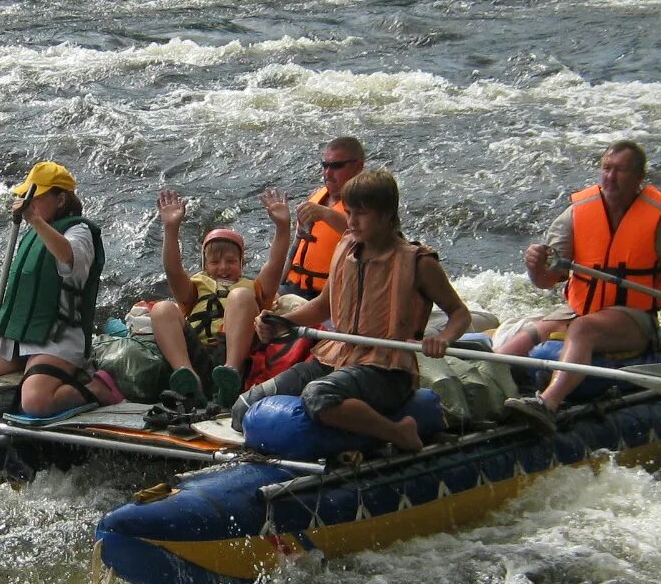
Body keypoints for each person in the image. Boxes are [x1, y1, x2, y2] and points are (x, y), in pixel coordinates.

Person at [232, 168, 471, 453]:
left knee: (318, 395)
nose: (352, 221)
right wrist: (282, 322)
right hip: (336, 356)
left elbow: (460, 314)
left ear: (385, 215)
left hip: (386, 369)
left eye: (361, 213)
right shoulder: (346, 248)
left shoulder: (419, 262)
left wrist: (443, 338)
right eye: (349, 211)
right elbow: (322, 306)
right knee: (243, 406)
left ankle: (399, 432)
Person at [496, 140, 661, 431]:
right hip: (581, 309)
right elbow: (546, 281)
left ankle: (548, 404)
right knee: (525, 337)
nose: (610, 177)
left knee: (585, 329)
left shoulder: (660, 218)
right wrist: (535, 267)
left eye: (620, 171)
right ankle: (488, 392)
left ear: (638, 178)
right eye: (606, 168)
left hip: (633, 317)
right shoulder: (577, 213)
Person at [0, 161, 106, 417]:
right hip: (22, 333)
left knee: (36, 403)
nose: (28, 204)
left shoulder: (79, 231)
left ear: (60, 199)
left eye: (36, 198)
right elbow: (26, 285)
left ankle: (98, 388)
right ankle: (28, 374)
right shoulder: (34, 231)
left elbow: (69, 259)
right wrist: (0, 316)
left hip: (57, 336)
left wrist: (34, 219)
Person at [145, 186, 292, 410]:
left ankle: (230, 378)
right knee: (162, 308)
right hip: (195, 355)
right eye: (214, 262)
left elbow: (275, 264)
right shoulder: (195, 287)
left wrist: (282, 228)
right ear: (205, 265)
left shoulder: (254, 288)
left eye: (231, 261)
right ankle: (187, 380)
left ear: (241, 264)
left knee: (241, 295)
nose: (223, 268)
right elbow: (173, 270)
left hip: (233, 359)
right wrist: (171, 229)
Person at [282, 134, 365, 298]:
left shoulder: (368, 202)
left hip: (331, 297)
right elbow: (294, 250)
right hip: (293, 288)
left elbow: (367, 236)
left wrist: (325, 214)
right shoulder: (316, 198)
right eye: (325, 165)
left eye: (336, 166)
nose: (328, 172)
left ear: (359, 167)